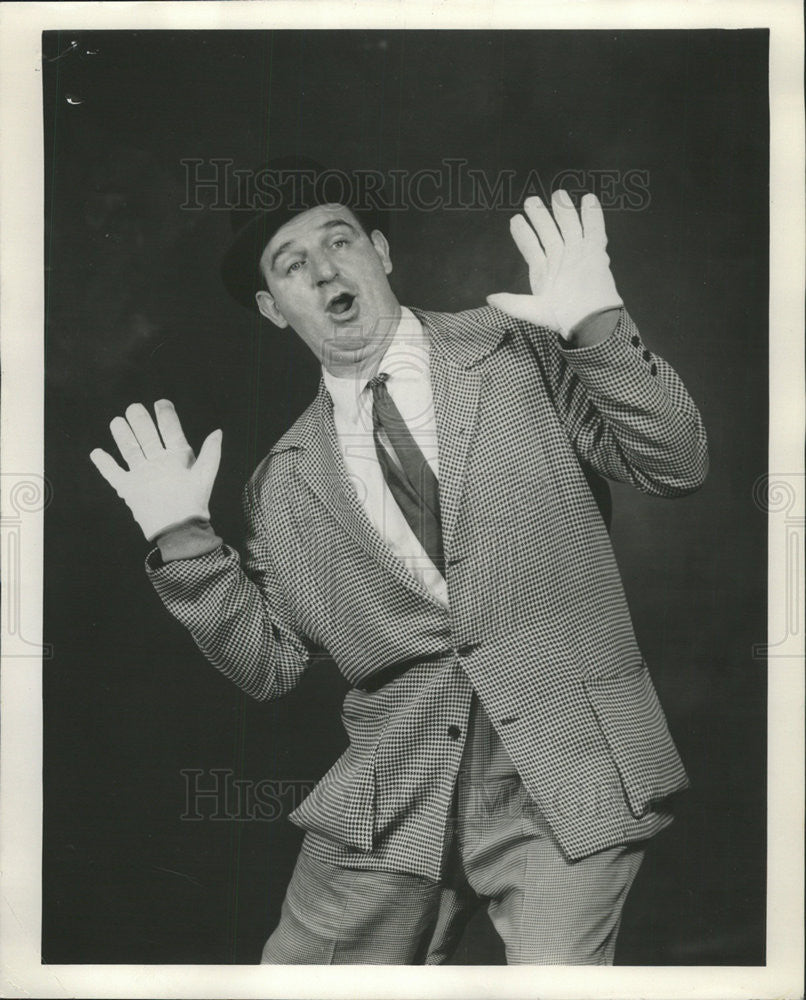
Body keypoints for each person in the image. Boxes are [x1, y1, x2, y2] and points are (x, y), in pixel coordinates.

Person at [90, 158, 708, 965]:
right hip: (392, 792)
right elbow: (269, 664)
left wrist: (596, 324)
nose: (323, 269)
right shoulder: (281, 482)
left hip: (571, 767)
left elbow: (677, 464)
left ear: (380, 250)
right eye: (291, 264)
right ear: (275, 310)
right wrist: (182, 539)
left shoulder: (519, 348)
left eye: (338, 240)